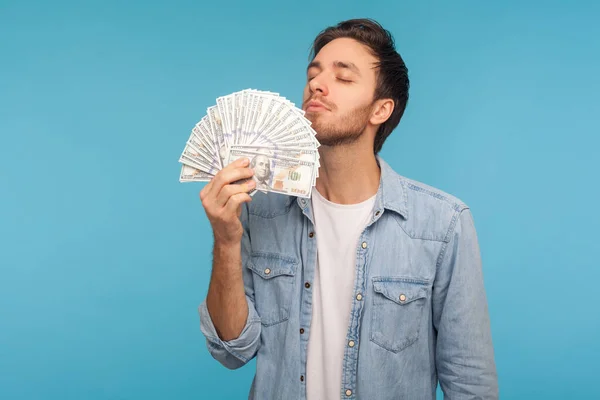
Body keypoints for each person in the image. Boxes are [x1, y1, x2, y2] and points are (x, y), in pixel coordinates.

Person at [198, 18, 498, 400]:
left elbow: (471, 383)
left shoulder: (442, 225)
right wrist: (225, 240)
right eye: (314, 73)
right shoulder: (258, 210)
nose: (317, 85)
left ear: (381, 109)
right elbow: (232, 351)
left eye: (343, 77)